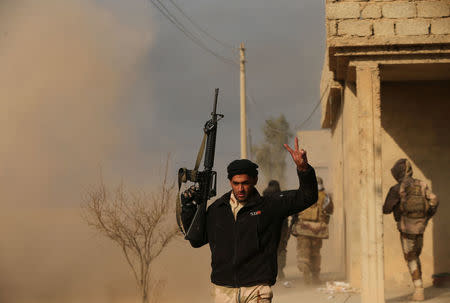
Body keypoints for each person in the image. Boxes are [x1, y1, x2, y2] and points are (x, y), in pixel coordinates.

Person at [181, 137, 318, 303]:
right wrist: (188, 209)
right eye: (236, 183)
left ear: (255, 180)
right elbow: (196, 240)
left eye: (245, 183)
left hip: (257, 290)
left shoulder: (270, 206)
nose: (240, 188)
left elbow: (307, 197)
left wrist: (304, 170)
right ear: (230, 182)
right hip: (223, 291)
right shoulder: (217, 210)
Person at [383, 159, 438, 301]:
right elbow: (434, 200)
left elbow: (386, 209)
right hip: (421, 227)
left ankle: (419, 291)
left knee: (411, 258)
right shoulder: (422, 184)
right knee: (416, 256)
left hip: (406, 229)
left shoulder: (397, 188)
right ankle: (418, 286)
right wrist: (427, 217)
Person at [290, 176, 333, 285]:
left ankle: (306, 274)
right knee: (315, 253)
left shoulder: (302, 195)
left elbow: (294, 211)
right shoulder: (325, 196)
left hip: (303, 228)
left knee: (304, 253)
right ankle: (315, 277)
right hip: (318, 230)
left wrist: (292, 226)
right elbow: (329, 210)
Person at [262, 180, 289, 281]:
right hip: (281, 227)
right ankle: (280, 270)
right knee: (281, 249)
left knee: (268, 250)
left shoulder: (264, 196)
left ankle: (270, 271)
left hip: (268, 228)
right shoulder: (282, 196)